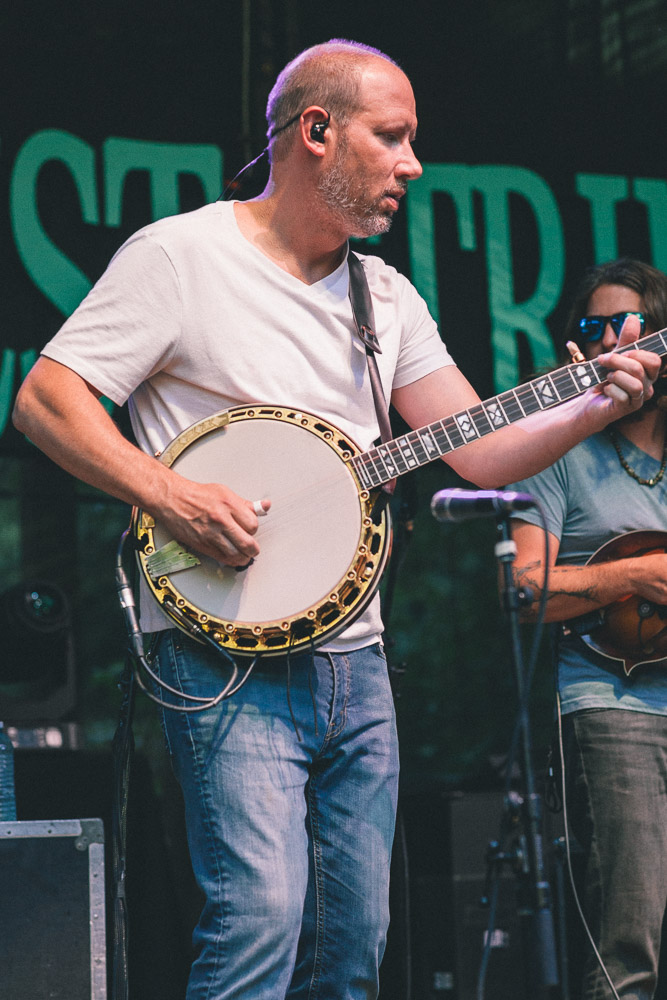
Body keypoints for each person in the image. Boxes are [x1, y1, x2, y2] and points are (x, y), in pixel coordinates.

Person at [12, 39, 659, 1000]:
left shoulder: (384, 295)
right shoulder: (182, 257)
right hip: (220, 654)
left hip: (354, 662)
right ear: (316, 132)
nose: (413, 164)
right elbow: (46, 399)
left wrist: (594, 407)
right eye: (391, 138)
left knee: (352, 950)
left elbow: (475, 449)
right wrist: (167, 491)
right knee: (259, 926)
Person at [507, 258, 667, 1000]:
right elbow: (522, 589)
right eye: (590, 328)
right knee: (626, 946)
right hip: (613, 711)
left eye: (623, 325)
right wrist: (630, 577)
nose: (607, 341)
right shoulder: (555, 448)